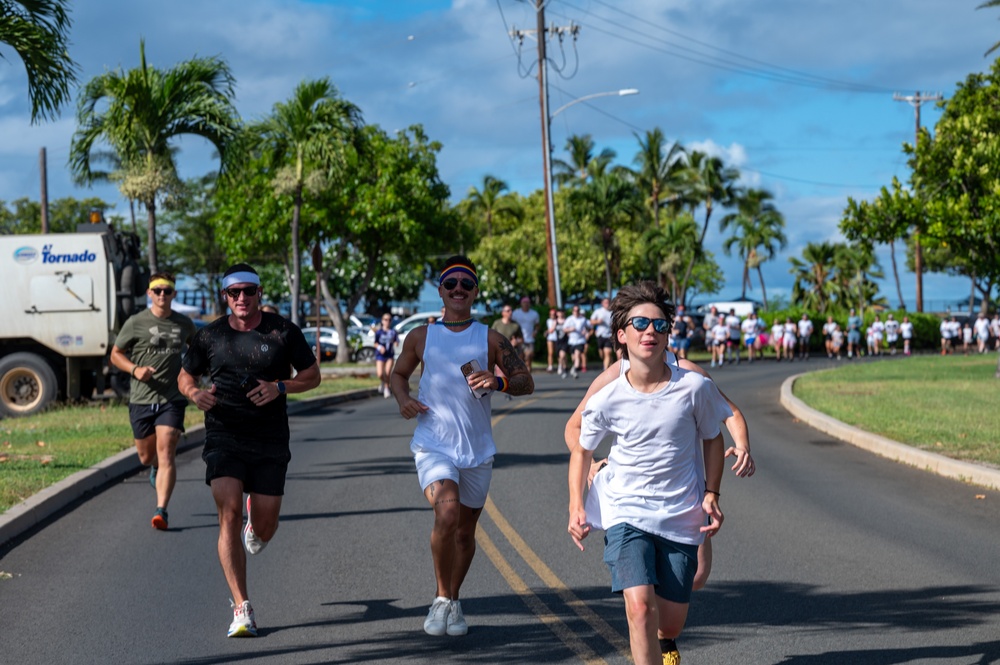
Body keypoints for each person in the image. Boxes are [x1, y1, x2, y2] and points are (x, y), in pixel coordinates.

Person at [567, 282, 732, 665]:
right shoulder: (607, 397)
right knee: (640, 609)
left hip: (679, 512)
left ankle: (665, 642)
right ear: (621, 336)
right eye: (639, 324)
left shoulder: (693, 387)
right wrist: (577, 504)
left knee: (669, 624)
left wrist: (713, 492)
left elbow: (712, 437)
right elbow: (581, 448)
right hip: (627, 510)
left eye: (659, 325)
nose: (650, 332)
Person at [391, 255, 534, 637]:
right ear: (440, 290)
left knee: (465, 535)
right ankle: (440, 598)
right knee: (448, 511)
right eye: (450, 283)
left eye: (465, 285)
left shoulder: (490, 338)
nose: (458, 290)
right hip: (433, 444)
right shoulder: (421, 336)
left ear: (474, 292)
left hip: (476, 450)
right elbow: (398, 375)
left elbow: (525, 381)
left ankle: (453, 600)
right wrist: (402, 398)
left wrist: (498, 382)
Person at [177, 263, 321, 638]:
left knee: (266, 527)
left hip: (270, 438)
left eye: (249, 291)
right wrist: (194, 393)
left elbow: (312, 375)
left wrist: (280, 387)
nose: (242, 298)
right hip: (224, 433)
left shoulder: (283, 332)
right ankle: (242, 608)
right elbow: (186, 375)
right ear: (224, 296)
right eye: (234, 292)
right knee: (227, 514)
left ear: (260, 293)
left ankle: (256, 520)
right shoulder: (209, 335)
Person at [110, 272, 196, 531]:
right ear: (149, 293)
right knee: (147, 456)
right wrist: (135, 370)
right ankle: (154, 467)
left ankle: (161, 510)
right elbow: (115, 354)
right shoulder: (136, 323)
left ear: (174, 295)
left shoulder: (184, 324)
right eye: (157, 290)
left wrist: (193, 376)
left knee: (167, 450)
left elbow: (198, 351)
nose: (162, 295)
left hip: (172, 398)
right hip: (141, 399)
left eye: (167, 291)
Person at [511, 296, 540, 373]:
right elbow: (511, 324)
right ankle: (523, 371)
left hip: (529, 338)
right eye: (524, 303)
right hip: (519, 339)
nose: (526, 304)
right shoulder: (516, 313)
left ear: (529, 304)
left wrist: (535, 332)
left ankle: (528, 369)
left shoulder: (534, 314)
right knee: (520, 357)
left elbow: (537, 325)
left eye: (527, 303)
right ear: (521, 304)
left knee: (529, 355)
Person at [374, 313, 400, 398]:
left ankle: (386, 388)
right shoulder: (379, 332)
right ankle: (383, 382)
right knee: (380, 374)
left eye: (389, 320)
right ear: (382, 321)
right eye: (385, 319)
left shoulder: (393, 332)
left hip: (389, 355)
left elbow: (397, 341)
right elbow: (375, 343)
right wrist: (380, 347)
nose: (387, 321)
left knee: (387, 372)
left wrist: (396, 343)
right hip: (380, 355)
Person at [564, 304, 590, 378]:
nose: (576, 312)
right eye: (575, 310)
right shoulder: (569, 319)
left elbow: (589, 326)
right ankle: (574, 368)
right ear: (572, 311)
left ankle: (575, 370)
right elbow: (564, 329)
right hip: (572, 341)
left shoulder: (583, 319)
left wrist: (586, 332)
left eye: (577, 310)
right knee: (574, 358)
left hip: (580, 340)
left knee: (578, 355)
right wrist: (570, 329)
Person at [591, 297, 614, 370]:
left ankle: (605, 369)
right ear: (602, 304)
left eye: (608, 302)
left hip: (609, 335)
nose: (607, 304)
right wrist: (598, 322)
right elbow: (591, 321)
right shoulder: (598, 311)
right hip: (600, 335)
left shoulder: (612, 312)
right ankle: (611, 362)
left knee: (608, 352)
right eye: (605, 302)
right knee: (602, 354)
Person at [545, 308, 559, 372]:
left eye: (553, 314)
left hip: (557, 338)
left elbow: (551, 329)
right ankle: (550, 366)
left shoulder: (557, 320)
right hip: (550, 338)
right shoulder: (548, 320)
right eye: (551, 314)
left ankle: (560, 365)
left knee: (558, 353)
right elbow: (551, 329)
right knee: (550, 353)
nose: (552, 315)